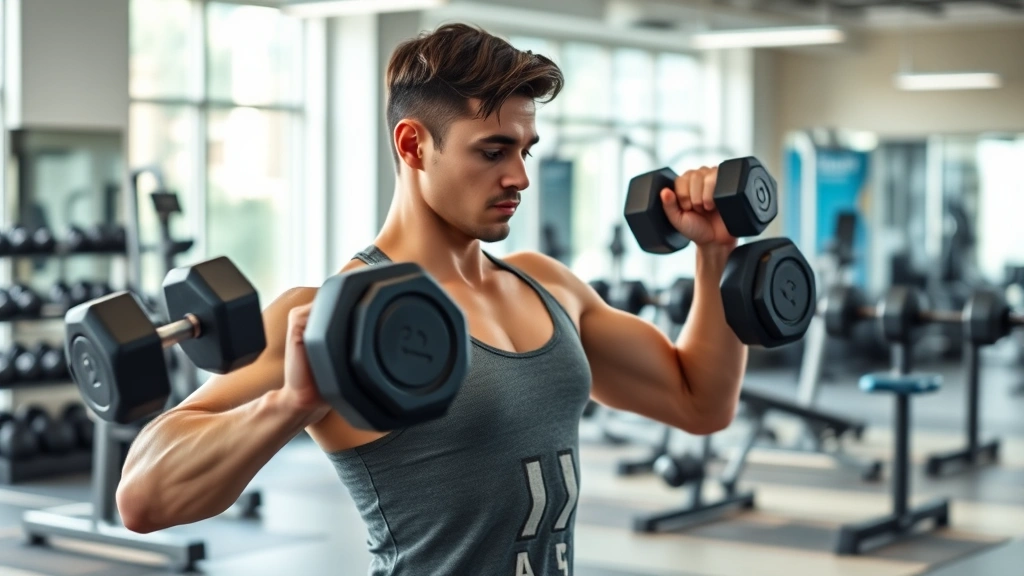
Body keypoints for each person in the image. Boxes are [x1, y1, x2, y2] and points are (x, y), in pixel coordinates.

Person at [116, 23, 747, 576]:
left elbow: (699, 402)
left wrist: (713, 255)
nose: (520, 177)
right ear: (414, 145)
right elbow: (142, 498)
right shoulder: (332, 317)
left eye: (525, 151)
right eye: (493, 151)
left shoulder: (546, 284)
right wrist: (290, 403)